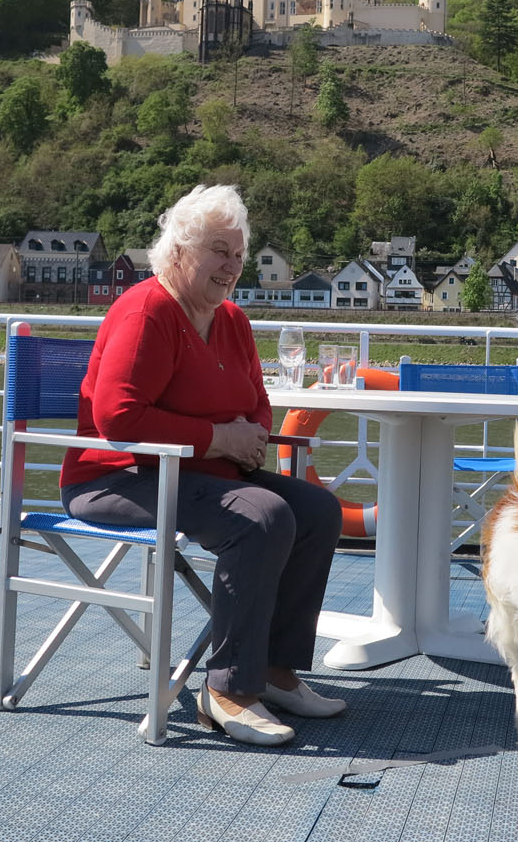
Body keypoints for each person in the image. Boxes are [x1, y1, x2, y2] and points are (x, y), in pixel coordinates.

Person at [60, 185, 345, 747]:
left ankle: (273, 669)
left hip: (201, 473)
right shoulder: (146, 311)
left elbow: (256, 401)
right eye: (219, 250)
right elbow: (118, 418)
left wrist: (249, 436)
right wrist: (218, 438)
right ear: (179, 250)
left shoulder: (232, 318)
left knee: (317, 509)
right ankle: (226, 691)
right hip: (117, 476)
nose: (231, 266)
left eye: (238, 255)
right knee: (261, 518)